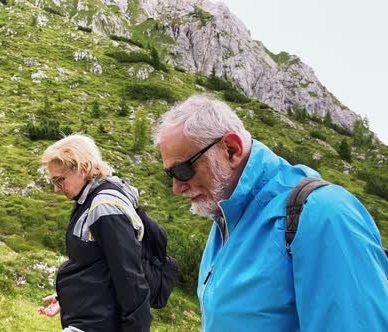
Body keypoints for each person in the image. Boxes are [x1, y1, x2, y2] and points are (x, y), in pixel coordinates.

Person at [152, 94, 388, 331]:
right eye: (170, 175)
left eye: (182, 170)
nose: (177, 188)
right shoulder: (225, 220)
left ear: (231, 150)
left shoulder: (322, 214)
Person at [38, 134, 152, 332]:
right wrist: (66, 297)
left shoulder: (105, 207)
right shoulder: (88, 200)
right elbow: (97, 267)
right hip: (89, 320)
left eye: (60, 179)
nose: (56, 189)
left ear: (83, 168)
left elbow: (129, 278)